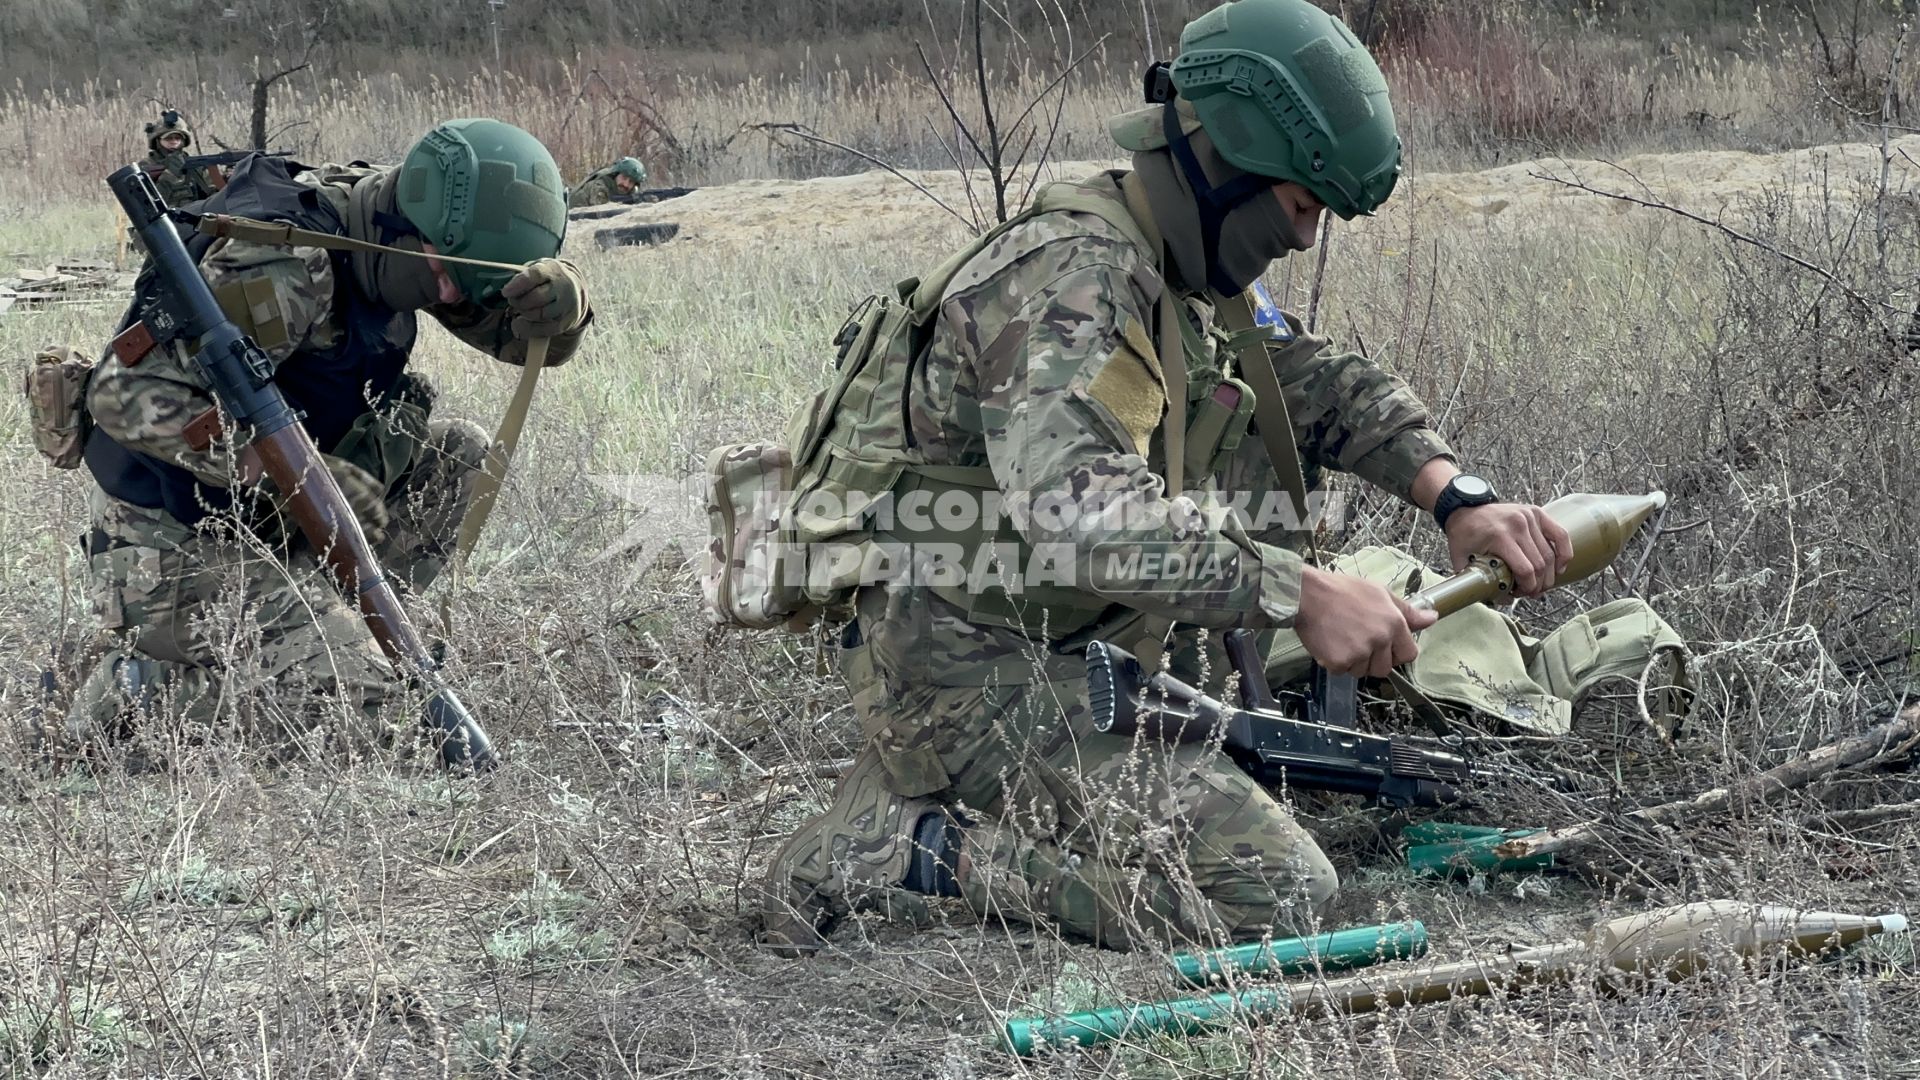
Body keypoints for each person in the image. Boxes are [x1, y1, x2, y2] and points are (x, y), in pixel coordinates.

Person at [757, 0, 1583, 955]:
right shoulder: (1076, 279)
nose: (1306, 239)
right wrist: (1296, 592)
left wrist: (1454, 494)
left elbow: (1311, 382)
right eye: (1302, 205)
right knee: (1278, 896)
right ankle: (900, 849)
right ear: (1225, 163)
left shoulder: (1175, 272)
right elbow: (1083, 515)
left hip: (1083, 648)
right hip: (971, 671)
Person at [68, 118, 594, 751]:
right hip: (173, 548)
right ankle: (143, 691)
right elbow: (119, 395)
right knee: (375, 719)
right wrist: (285, 471)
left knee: (462, 456)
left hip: (277, 527)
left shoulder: (396, 230)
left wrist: (563, 311)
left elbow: (514, 336)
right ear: (411, 228)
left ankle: (327, 631)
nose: (452, 296)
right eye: (447, 275)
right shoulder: (286, 266)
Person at [141, 110, 220, 206]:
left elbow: (215, 195)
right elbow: (148, 205)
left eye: (177, 138)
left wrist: (229, 180)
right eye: (168, 138)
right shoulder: (147, 166)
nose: (174, 141)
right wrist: (170, 174)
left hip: (195, 217)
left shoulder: (194, 165)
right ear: (157, 140)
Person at [568, 156, 647, 208]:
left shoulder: (628, 190)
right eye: (624, 177)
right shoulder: (600, 187)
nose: (626, 184)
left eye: (631, 182)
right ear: (616, 174)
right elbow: (601, 213)